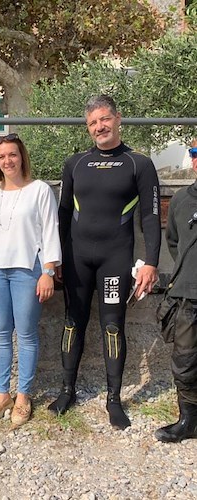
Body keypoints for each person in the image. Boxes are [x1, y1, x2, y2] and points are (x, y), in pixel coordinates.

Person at [48, 95, 161, 430]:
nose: (100, 126)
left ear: (118, 119)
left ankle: (114, 399)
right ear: (88, 128)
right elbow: (62, 214)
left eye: (105, 119)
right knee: (72, 322)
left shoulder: (138, 164)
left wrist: (151, 263)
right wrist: (54, 260)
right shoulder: (75, 164)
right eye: (93, 122)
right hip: (77, 259)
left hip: (116, 258)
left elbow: (151, 217)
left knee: (112, 326)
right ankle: (67, 391)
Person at [0, 133, 61, 426]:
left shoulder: (40, 190)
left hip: (27, 270)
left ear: (22, 156)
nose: (7, 160)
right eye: (1, 156)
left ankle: (23, 395)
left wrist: (48, 272)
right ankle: (2, 394)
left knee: (26, 334)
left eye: (12, 154)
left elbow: (50, 231)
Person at [155, 139, 197, 442]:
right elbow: (173, 242)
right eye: (195, 153)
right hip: (187, 296)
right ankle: (188, 421)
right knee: (185, 361)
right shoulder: (182, 199)